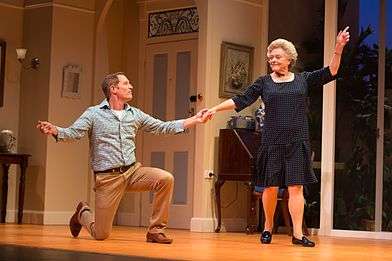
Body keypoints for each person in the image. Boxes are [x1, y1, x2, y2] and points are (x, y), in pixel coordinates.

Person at [202, 27, 350, 247]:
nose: (272, 59)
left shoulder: (303, 80)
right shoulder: (264, 82)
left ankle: (298, 234)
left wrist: (338, 48)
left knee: (295, 187)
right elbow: (241, 100)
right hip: (271, 141)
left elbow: (331, 71)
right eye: (270, 57)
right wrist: (214, 108)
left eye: (277, 56)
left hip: (297, 140)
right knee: (270, 187)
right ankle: (268, 226)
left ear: (289, 59)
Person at [37, 72, 207, 244]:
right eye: (126, 83)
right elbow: (74, 133)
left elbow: (162, 127)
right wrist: (56, 130)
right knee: (101, 234)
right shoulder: (93, 114)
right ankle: (82, 212)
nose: (130, 86)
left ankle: (155, 231)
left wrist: (195, 119)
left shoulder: (135, 114)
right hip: (108, 178)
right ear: (113, 89)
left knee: (165, 179)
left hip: (132, 172)